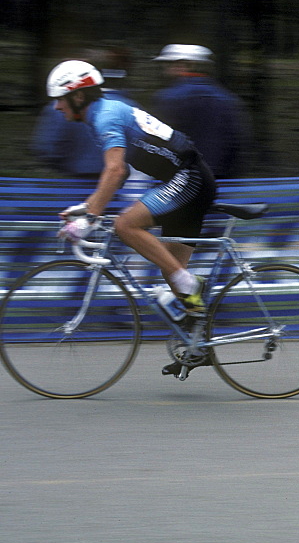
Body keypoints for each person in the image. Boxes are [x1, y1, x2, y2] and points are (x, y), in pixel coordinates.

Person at [46, 60, 216, 344]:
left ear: (77, 96)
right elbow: (116, 174)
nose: (56, 107)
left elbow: (115, 171)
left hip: (190, 178)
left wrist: (89, 217)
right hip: (188, 178)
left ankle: (190, 285)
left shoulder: (104, 116)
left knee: (127, 226)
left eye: (59, 100)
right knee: (173, 276)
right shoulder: (102, 114)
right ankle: (199, 347)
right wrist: (86, 209)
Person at [31, 47, 138, 179]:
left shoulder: (59, 107)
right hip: (118, 185)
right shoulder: (129, 106)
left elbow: (48, 150)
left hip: (75, 182)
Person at [151, 44, 250, 179]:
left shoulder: (169, 98)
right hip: (218, 180)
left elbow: (158, 141)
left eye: (167, 65)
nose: (164, 70)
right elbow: (236, 143)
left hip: (179, 180)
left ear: (183, 66)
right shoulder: (227, 98)